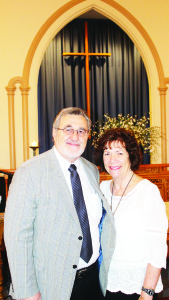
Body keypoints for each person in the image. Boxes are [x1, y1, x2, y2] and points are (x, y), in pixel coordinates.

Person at [4, 107, 115, 300]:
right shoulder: (29, 172)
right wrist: (28, 291)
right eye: (68, 129)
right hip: (51, 283)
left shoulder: (91, 170)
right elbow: (17, 237)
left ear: (87, 136)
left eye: (82, 131)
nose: (75, 135)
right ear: (55, 133)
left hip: (92, 278)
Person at [94, 127, 168, 300]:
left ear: (130, 155)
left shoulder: (147, 192)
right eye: (107, 153)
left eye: (119, 153)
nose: (112, 159)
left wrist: (147, 292)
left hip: (138, 287)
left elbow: (157, 248)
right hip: (106, 282)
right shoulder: (101, 189)